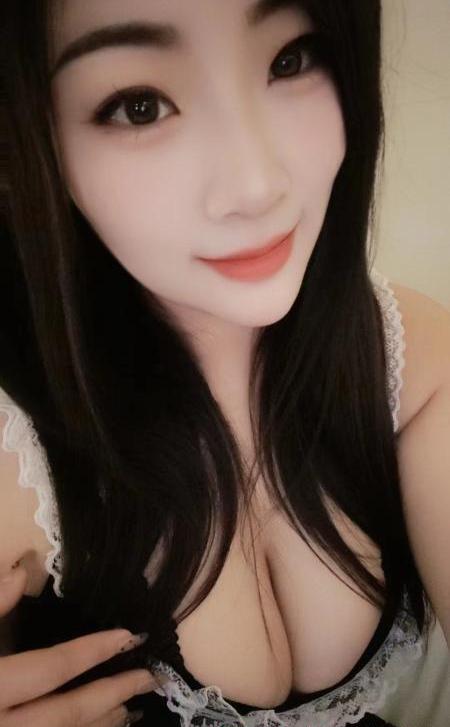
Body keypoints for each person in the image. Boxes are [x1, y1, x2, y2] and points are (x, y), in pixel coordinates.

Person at [0, 1, 449, 725]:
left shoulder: (410, 362)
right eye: (139, 105)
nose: (257, 185)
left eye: (290, 60)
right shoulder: (18, 467)